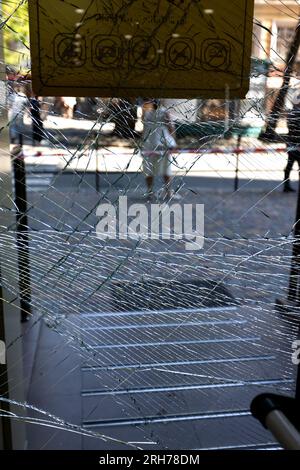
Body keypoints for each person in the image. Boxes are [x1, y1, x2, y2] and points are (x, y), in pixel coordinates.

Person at [141, 99, 178, 200]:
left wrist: (142, 141)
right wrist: (174, 142)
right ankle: (168, 192)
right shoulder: (165, 112)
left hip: (150, 143)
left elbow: (144, 128)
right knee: (166, 168)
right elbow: (171, 128)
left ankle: (150, 191)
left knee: (150, 168)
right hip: (162, 144)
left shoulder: (147, 113)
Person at [284, 101, 300, 192]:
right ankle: (286, 186)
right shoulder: (295, 114)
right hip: (294, 143)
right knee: (290, 165)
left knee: (289, 165)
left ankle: (286, 186)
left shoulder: (291, 114)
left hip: (291, 143)